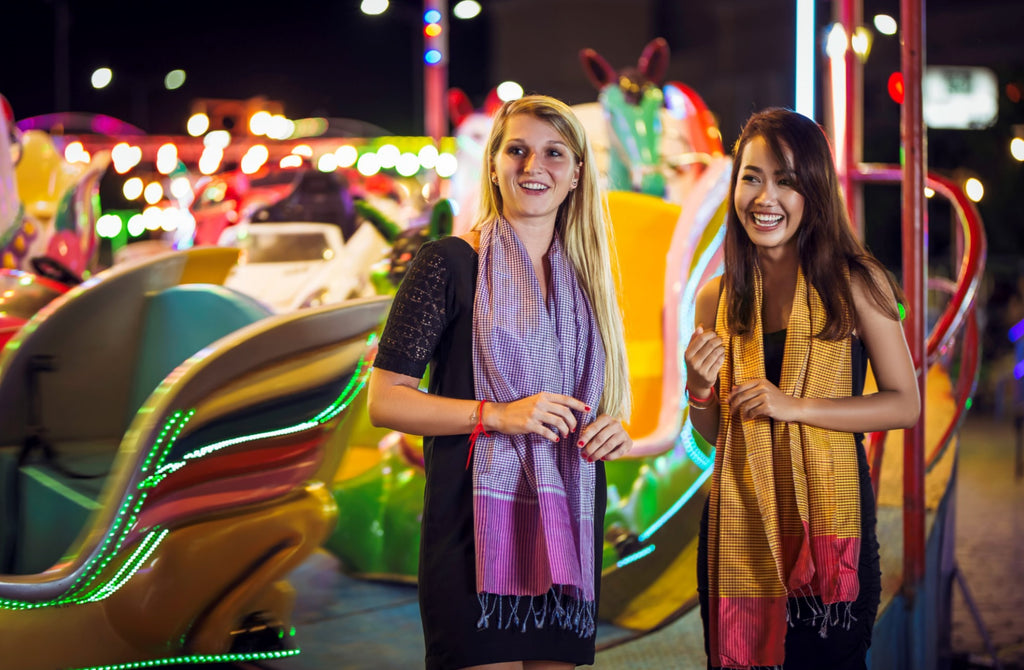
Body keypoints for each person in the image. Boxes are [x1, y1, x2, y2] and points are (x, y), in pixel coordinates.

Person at [367, 94, 633, 670]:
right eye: (518, 150)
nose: (533, 167)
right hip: (472, 530)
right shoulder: (448, 263)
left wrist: (612, 429)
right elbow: (384, 402)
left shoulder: (588, 278)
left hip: (567, 527)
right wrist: (497, 414)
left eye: (553, 154)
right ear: (493, 164)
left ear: (576, 175)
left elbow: (591, 404)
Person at [684, 107, 920, 670]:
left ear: (813, 191)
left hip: (829, 530)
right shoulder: (717, 297)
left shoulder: (856, 282)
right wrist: (698, 391)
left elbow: (905, 404)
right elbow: (715, 435)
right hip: (738, 527)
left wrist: (793, 406)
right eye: (752, 177)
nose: (765, 198)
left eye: (786, 181)